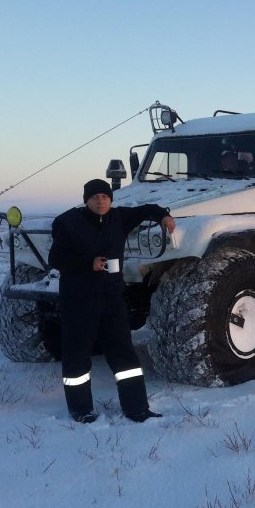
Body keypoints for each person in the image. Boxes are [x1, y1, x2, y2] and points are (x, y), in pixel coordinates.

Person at [48, 178, 176, 423]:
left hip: (111, 299)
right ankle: (81, 410)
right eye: (95, 197)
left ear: (111, 199)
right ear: (86, 200)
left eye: (105, 196)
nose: (101, 201)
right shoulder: (68, 222)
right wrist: (88, 264)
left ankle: (137, 408)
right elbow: (56, 258)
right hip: (79, 301)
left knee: (124, 354)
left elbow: (146, 209)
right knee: (77, 356)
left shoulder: (118, 218)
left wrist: (163, 217)